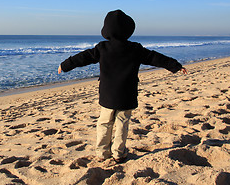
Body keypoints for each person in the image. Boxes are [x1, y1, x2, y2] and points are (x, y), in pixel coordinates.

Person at [58, 9, 187, 163]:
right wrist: (175, 66)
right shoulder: (135, 48)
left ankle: (102, 153)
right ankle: (119, 153)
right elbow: (155, 57)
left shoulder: (102, 48)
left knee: (104, 123)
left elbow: (83, 57)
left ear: (106, 30)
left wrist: (65, 65)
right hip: (127, 94)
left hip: (108, 94)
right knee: (122, 124)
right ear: (129, 30)